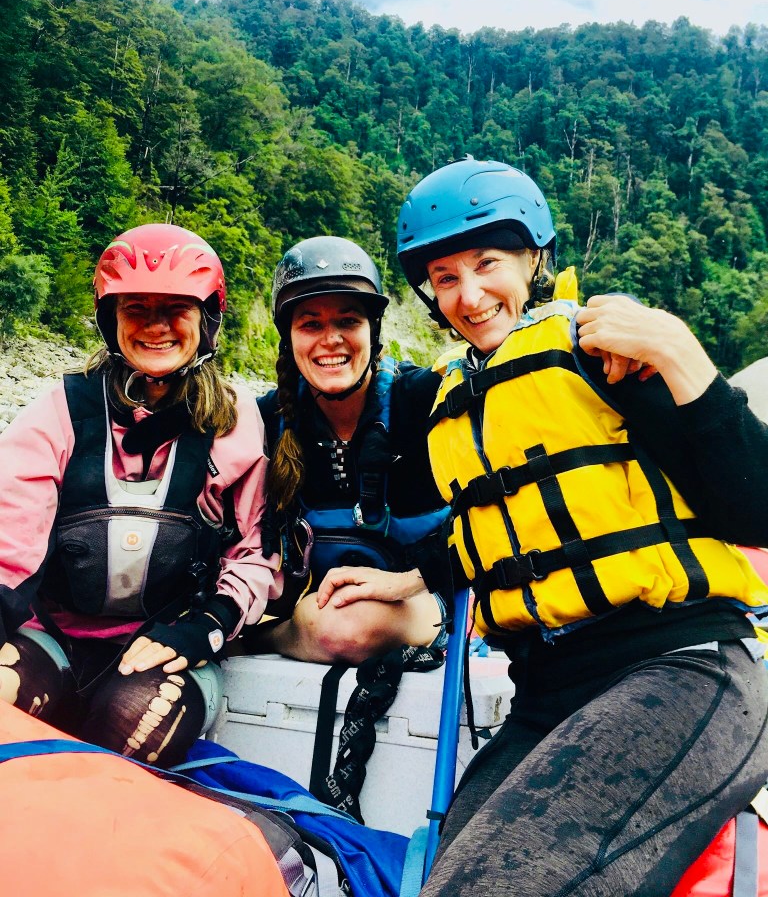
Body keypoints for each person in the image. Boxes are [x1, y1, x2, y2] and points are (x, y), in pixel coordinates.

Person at [395, 157, 768, 897]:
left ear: (534, 258)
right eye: (444, 277)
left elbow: (753, 511)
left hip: (681, 669)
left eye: (487, 263)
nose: (469, 295)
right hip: (546, 695)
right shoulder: (449, 396)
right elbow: (498, 537)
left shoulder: (603, 351)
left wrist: (680, 354)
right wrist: (401, 579)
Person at [0, 223, 281, 767]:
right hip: (51, 633)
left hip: (167, 642)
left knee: (135, 724)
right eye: (136, 309)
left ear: (208, 318)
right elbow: (12, 529)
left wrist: (208, 625)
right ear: (111, 319)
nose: (156, 326)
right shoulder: (59, 410)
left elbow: (254, 550)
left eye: (176, 308)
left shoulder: (234, 420)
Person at [241, 235, 450, 665]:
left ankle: (266, 638)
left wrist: (407, 582)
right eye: (310, 324)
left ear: (373, 331)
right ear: (289, 338)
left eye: (348, 321)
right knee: (337, 619)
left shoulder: (429, 400)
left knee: (344, 625)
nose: (331, 339)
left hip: (429, 600)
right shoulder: (267, 419)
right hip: (320, 603)